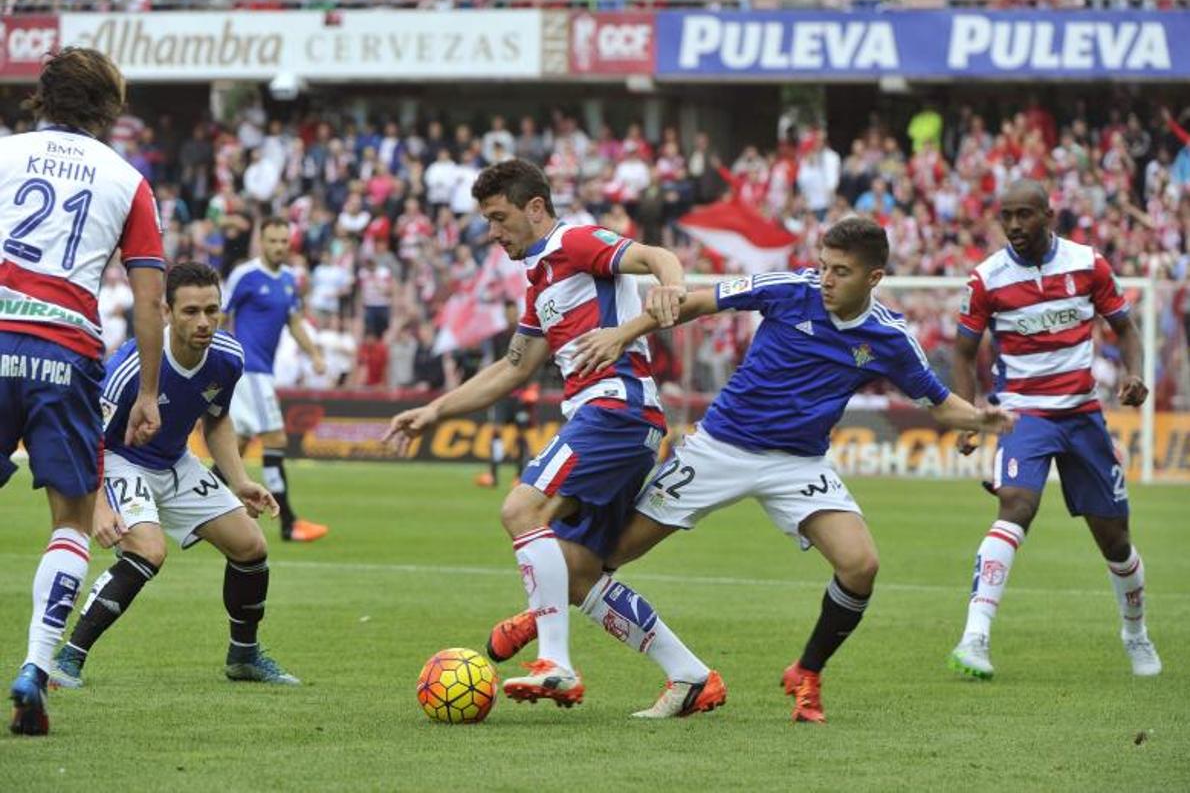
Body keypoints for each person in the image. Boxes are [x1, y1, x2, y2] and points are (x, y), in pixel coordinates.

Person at [489, 216, 1015, 723]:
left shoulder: (888, 338)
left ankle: (807, 671)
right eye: (824, 265)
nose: (825, 279)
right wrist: (625, 333)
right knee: (593, 565)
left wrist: (982, 419)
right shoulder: (790, 288)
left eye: (841, 271)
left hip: (798, 465)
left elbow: (941, 404)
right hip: (717, 450)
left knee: (861, 565)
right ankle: (544, 622)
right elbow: (695, 302)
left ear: (874, 278)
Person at [384, 159, 725, 718]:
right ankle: (689, 676)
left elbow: (654, 255)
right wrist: (436, 410)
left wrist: (671, 286)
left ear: (535, 208)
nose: (493, 233)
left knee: (522, 509)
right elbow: (513, 369)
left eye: (500, 218)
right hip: (620, 419)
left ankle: (555, 663)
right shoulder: (542, 279)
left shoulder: (575, 242)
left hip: (614, 408)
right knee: (577, 569)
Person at [1, 47, 166, 736]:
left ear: (44, 96)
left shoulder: (4, 155)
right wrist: (150, 392)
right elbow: (150, 299)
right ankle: (36, 669)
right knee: (71, 517)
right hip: (65, 347)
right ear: (110, 110)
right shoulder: (128, 181)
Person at [48, 262, 299, 688]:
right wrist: (99, 507)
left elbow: (216, 421)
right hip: (121, 459)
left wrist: (240, 481)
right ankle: (67, 658)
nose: (204, 322)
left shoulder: (228, 357)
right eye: (190, 311)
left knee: (251, 546)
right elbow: (87, 439)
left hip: (175, 461)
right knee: (149, 550)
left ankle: (244, 657)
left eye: (211, 310)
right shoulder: (129, 368)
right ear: (166, 312)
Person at [947, 180, 1160, 680]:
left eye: (1025, 214)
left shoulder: (1088, 264)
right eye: (1007, 216)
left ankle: (1135, 634)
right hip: (1023, 415)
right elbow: (962, 352)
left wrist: (1134, 374)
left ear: (1049, 215)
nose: (1015, 225)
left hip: (1082, 414)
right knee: (1017, 504)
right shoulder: (986, 278)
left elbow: (1126, 330)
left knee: (1115, 541)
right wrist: (966, 415)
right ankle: (974, 636)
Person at [222, 216, 329, 543]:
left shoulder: (287, 280)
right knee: (276, 440)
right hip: (249, 369)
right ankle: (288, 523)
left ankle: (199, 504)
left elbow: (294, 321)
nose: (279, 247)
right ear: (262, 242)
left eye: (284, 241)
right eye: (273, 241)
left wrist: (313, 353)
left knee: (236, 446)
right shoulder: (246, 275)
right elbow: (221, 316)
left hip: (263, 371)